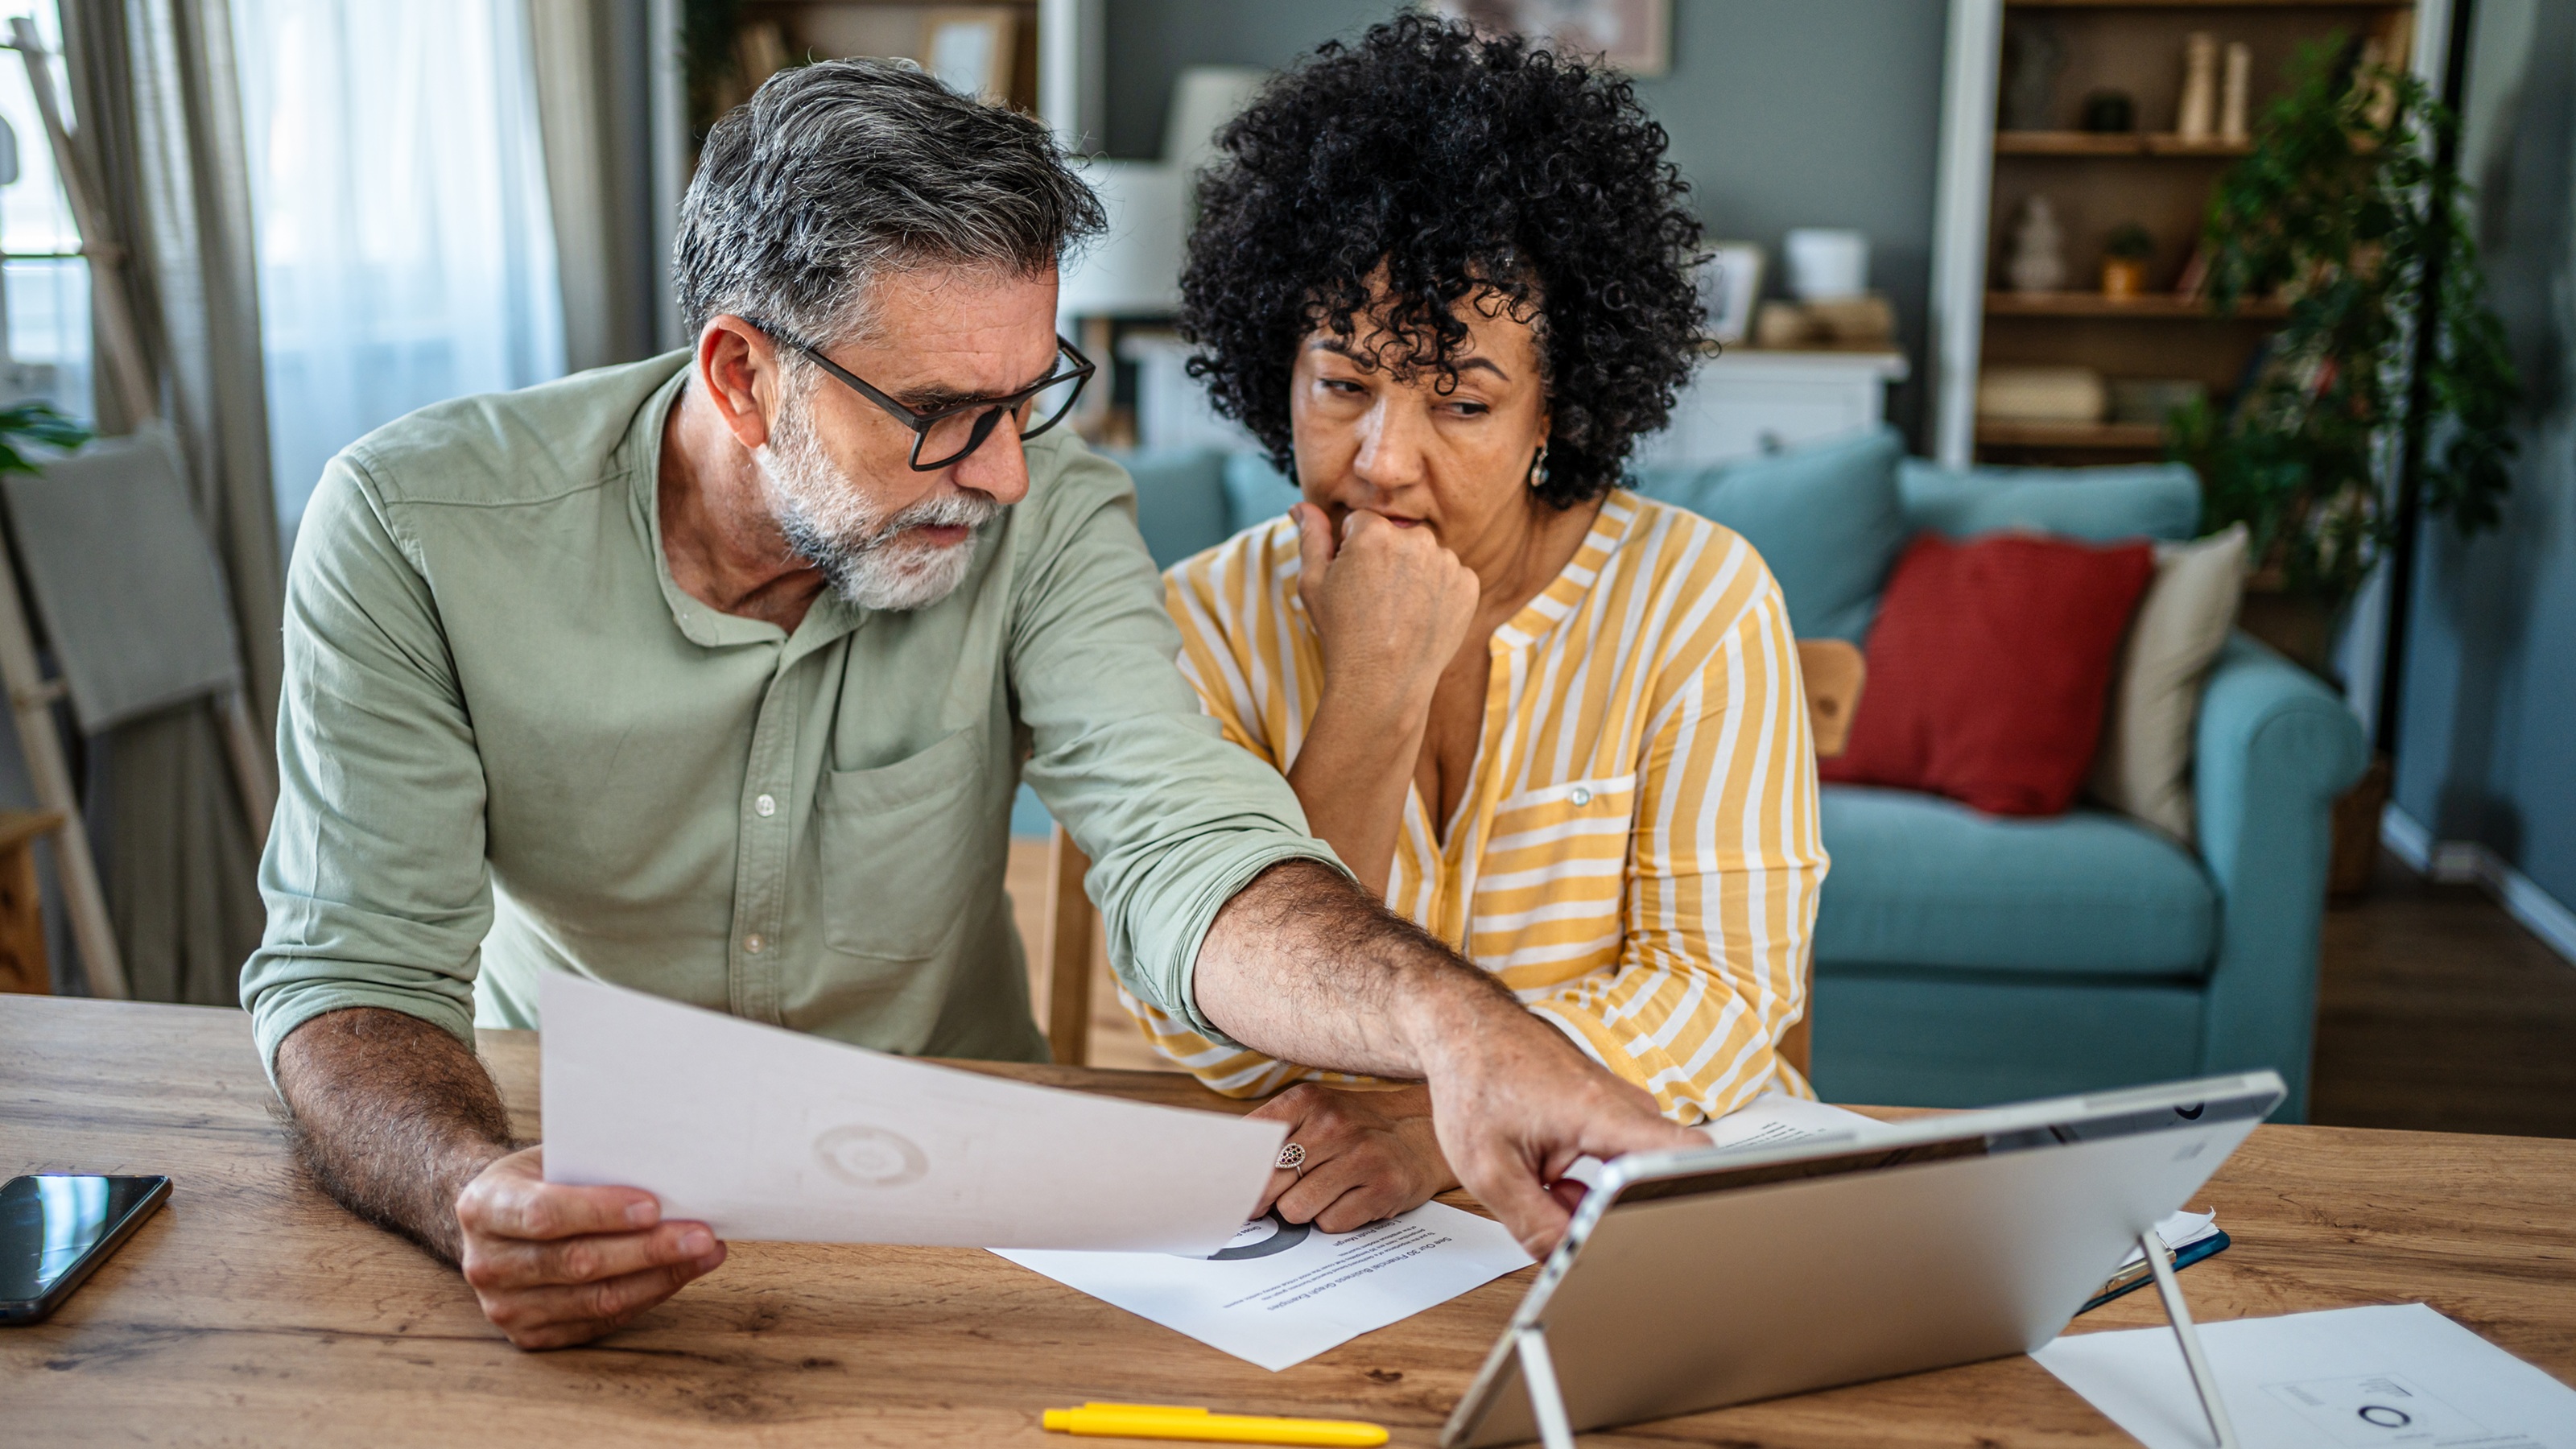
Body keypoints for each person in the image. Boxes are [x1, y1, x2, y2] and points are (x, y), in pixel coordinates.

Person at [241, 59, 1696, 1351]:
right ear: (744, 377)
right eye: (943, 413)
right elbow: (350, 971)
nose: (1001, 473)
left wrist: (1452, 1025)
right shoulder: (414, 522)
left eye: (1029, 396)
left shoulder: (1047, 516)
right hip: (563, 1161)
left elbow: (1189, 852)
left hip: (952, 1203)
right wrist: (466, 1188)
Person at [1125, 19, 1829, 1231]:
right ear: (1271, 369)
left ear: (1558, 408)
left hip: (1644, 1196)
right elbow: (1233, 1048)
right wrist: (1374, 692)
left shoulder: (1697, 598)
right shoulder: (1199, 625)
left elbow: (1721, 992)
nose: (1384, 460)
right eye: (1343, 385)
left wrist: (1442, 1123)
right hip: (1334, 1228)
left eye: (1461, 401)